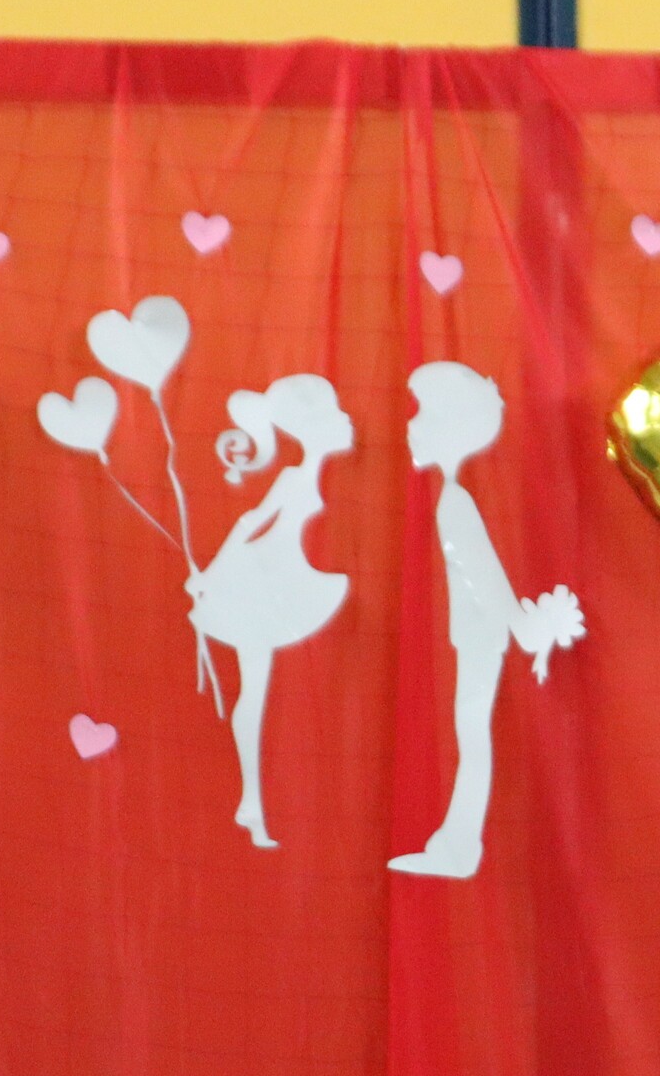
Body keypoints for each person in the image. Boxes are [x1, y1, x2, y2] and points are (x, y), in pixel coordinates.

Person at [389, 361, 584, 880]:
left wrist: (520, 627)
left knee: (471, 733)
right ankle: (456, 841)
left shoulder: (455, 502)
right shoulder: (454, 499)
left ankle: (459, 844)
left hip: (481, 634)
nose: (410, 425)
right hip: (480, 632)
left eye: (421, 414)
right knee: (470, 732)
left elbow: (486, 576)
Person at [189, 375, 354, 848]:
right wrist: (211, 575)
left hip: (277, 575)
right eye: (332, 414)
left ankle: (252, 804)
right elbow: (249, 521)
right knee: (254, 692)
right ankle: (252, 803)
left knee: (255, 691)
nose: (344, 421)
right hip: (261, 580)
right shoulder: (293, 477)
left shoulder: (307, 475)